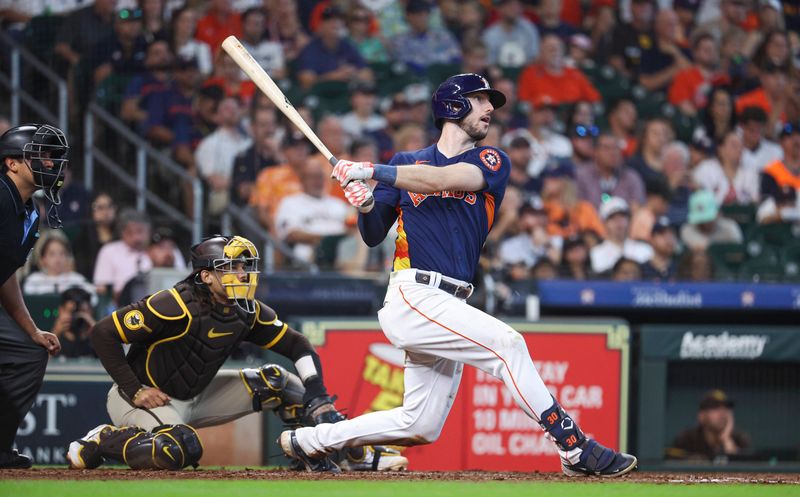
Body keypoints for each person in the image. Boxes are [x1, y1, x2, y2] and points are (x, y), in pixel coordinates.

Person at [278, 73, 637, 476]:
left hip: (451, 301)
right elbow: (373, 233)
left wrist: (370, 172)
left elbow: (443, 179)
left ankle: (310, 441)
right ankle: (574, 447)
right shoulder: (402, 163)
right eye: (481, 100)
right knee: (508, 344)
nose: (489, 110)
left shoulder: (490, 160)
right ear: (453, 106)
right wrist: (364, 204)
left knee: (420, 424)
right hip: (414, 295)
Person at [66, 235, 407, 472]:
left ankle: (353, 454)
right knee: (177, 448)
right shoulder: (173, 304)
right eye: (231, 267)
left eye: (244, 266)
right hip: (141, 398)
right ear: (206, 276)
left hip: (197, 395)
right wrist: (134, 389)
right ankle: (103, 441)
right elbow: (103, 333)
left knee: (278, 382)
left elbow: (297, 345)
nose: (242, 274)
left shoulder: (246, 310)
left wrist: (317, 394)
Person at [0, 123, 68, 468]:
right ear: (12, 163)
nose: (51, 163)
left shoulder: (29, 211)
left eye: (52, 157)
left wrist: (32, 330)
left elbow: (5, 274)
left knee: (30, 352)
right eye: (40, 155)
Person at [667, 390, 751, 461]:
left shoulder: (739, 438)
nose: (722, 413)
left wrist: (726, 439)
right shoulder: (687, 439)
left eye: (726, 408)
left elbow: (744, 473)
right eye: (715, 408)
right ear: (702, 416)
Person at [22, 234, 96, 298]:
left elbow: (93, 297)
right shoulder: (34, 280)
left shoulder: (77, 279)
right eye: (52, 254)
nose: (58, 259)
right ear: (42, 259)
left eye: (62, 254)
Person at [51, 287, 96, 359]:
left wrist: (97, 332)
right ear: (61, 311)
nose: (76, 316)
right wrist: (55, 333)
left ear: (91, 312)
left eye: (82, 312)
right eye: (71, 312)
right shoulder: (53, 340)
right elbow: (42, 365)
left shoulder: (95, 342)